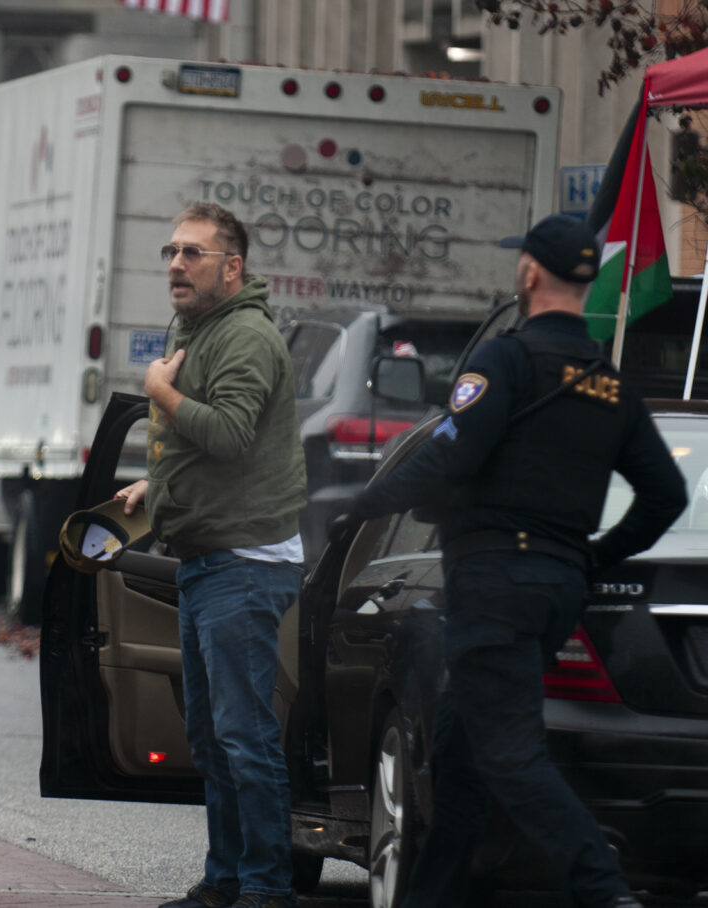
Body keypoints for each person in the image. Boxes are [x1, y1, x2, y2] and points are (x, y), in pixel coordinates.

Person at [343, 214, 688, 908]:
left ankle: (603, 889)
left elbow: (451, 454)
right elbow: (666, 494)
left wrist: (364, 503)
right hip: (557, 588)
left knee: (507, 753)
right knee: (463, 757)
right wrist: (593, 555)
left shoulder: (503, 361)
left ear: (529, 273)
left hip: (494, 582)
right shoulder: (607, 382)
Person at [115, 202, 307, 908]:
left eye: (193, 253)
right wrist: (153, 482)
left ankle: (264, 885)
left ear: (234, 266)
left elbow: (229, 433)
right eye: (171, 251)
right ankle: (226, 878)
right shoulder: (199, 328)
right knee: (210, 731)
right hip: (208, 557)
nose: (175, 264)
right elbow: (220, 448)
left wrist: (160, 392)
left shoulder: (245, 337)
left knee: (243, 732)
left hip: (247, 561)